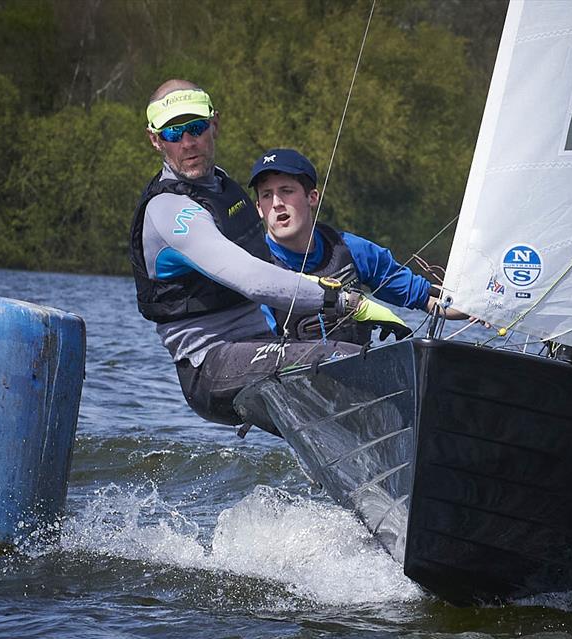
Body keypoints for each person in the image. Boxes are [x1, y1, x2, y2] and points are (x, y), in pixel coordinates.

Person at [129, 80, 397, 432]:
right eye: (173, 133)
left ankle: (364, 472)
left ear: (215, 124)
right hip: (210, 366)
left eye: (196, 128)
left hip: (260, 346)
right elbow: (252, 279)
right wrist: (346, 302)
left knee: (360, 351)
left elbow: (273, 266)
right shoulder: (170, 211)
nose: (188, 142)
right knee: (344, 362)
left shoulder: (223, 188)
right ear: (155, 140)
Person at [248, 148, 470, 343]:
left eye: (287, 191)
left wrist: (483, 306)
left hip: (355, 374)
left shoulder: (350, 249)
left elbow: (428, 298)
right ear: (259, 208)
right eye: (267, 195)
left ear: (312, 197)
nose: (277, 203)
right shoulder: (252, 266)